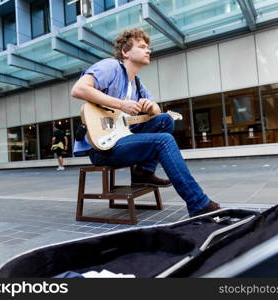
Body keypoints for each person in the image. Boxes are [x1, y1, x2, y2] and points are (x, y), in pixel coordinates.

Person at [71, 28, 220, 217]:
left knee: (165, 120)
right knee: (164, 141)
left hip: (122, 138)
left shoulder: (138, 84)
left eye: (148, 47)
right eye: (142, 47)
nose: (148, 50)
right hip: (101, 148)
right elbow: (78, 89)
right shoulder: (110, 67)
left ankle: (143, 172)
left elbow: (157, 113)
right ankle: (198, 204)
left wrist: (152, 108)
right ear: (125, 52)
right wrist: (121, 104)